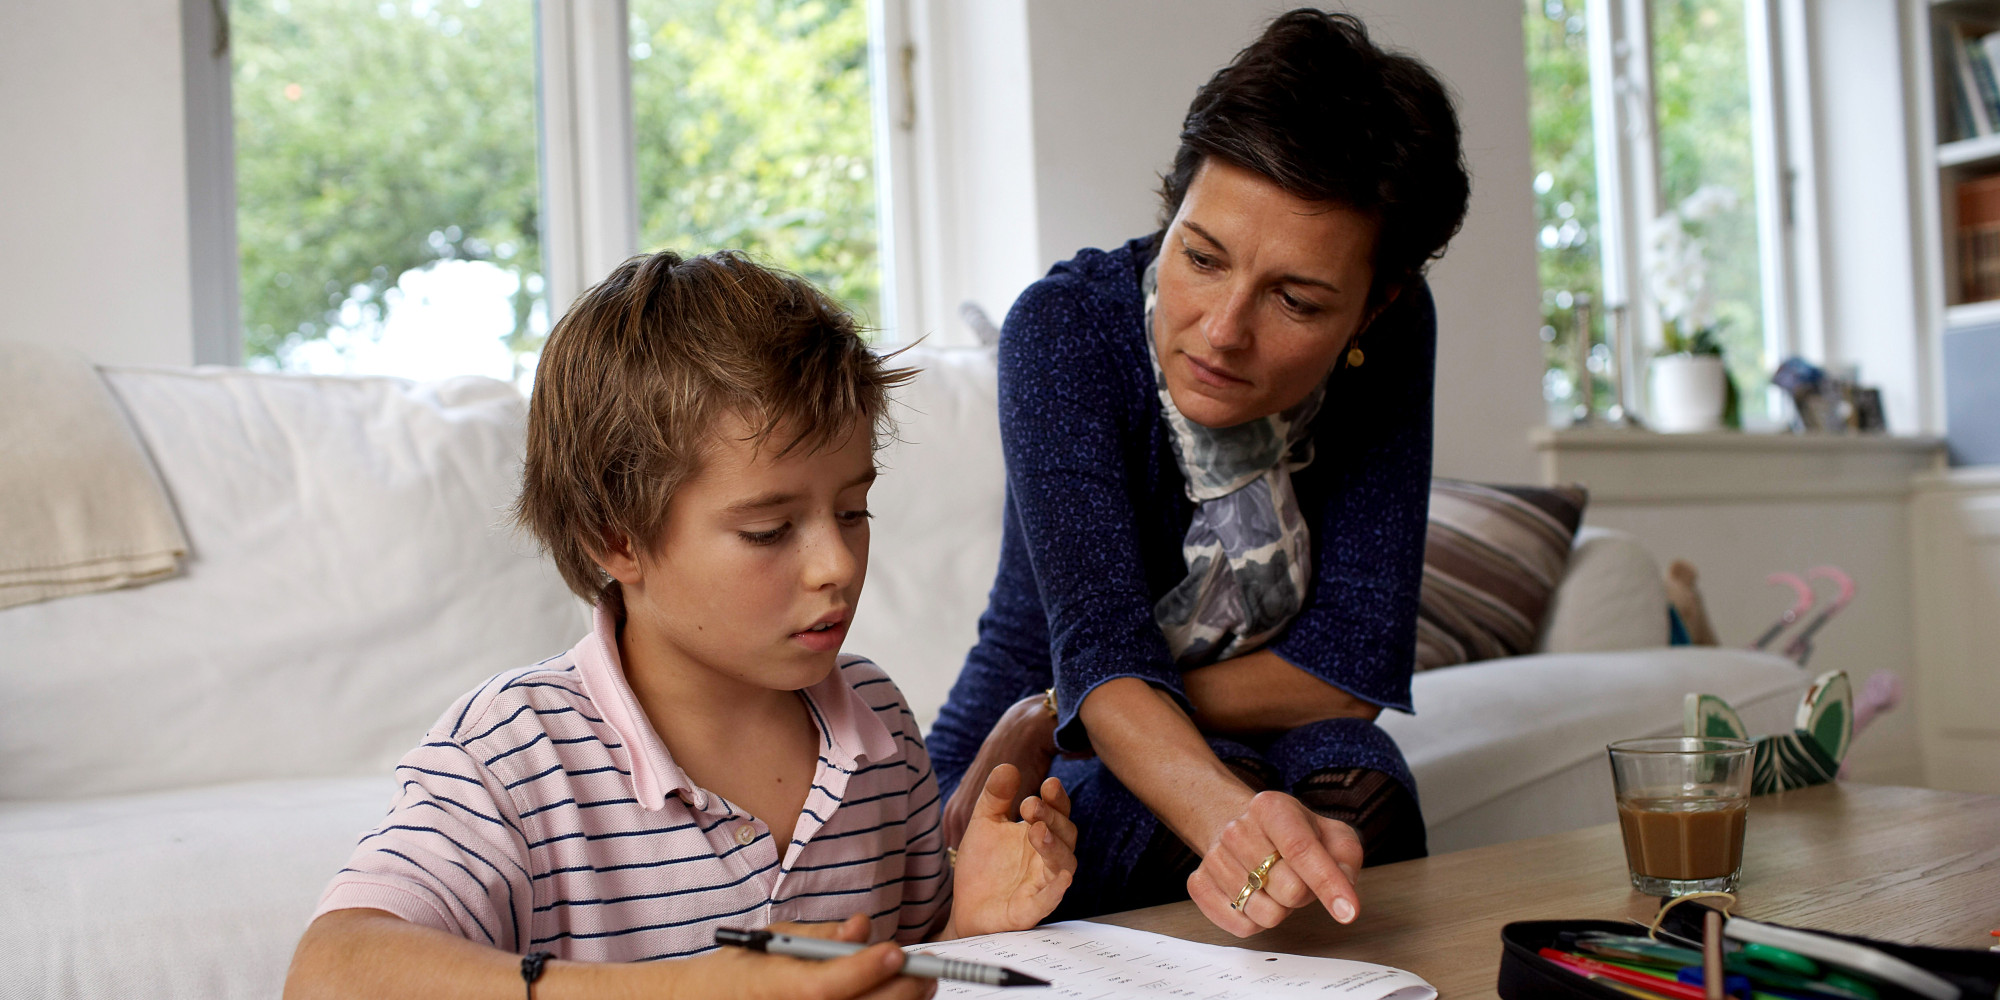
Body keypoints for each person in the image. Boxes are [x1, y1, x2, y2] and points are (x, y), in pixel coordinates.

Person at [283, 251, 1077, 1000]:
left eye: (853, 510)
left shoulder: (880, 725)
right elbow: (329, 971)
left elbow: (895, 972)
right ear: (615, 536)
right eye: (768, 531)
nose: (836, 563)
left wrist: (970, 924)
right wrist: (690, 989)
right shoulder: (513, 752)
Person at [925, 8, 1469, 939]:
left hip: (1075, 711)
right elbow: (1102, 652)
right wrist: (1221, 810)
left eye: (1296, 299)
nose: (1222, 330)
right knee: (1225, 814)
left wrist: (1084, 699)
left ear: (1372, 308)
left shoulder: (1397, 330)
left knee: (1362, 777)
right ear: (1171, 211)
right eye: (1202, 257)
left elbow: (1346, 671)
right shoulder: (1067, 332)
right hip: (1021, 761)